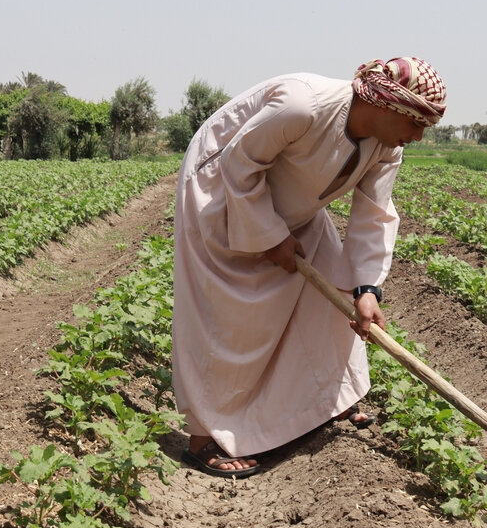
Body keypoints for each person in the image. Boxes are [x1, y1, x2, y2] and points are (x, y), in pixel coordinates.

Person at [173, 57, 447, 478]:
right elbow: (239, 164)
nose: (417, 135)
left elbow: (375, 214)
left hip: (296, 205)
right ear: (385, 105)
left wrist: (368, 289)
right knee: (227, 313)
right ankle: (203, 437)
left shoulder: (388, 147)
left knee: (333, 291)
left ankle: (328, 402)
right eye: (415, 123)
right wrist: (270, 235)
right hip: (220, 187)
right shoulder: (303, 106)